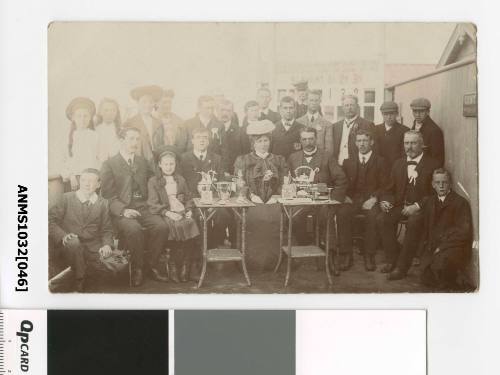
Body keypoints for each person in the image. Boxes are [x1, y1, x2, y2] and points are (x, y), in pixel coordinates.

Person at [100, 127, 170, 286]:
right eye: (131, 139)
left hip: (143, 206)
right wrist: (123, 210)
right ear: (121, 141)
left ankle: (150, 266)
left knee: (161, 227)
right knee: (134, 229)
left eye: (137, 139)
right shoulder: (109, 164)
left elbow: (154, 183)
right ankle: (138, 268)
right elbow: (107, 197)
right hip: (122, 210)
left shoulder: (142, 162)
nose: (135, 143)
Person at [377, 130, 440, 280]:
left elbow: (434, 194)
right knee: (382, 219)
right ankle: (392, 259)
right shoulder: (398, 163)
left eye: (413, 143)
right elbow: (389, 189)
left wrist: (417, 206)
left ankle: (402, 267)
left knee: (414, 222)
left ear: (422, 145)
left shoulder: (433, 164)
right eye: (406, 143)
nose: (409, 147)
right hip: (401, 205)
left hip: (423, 208)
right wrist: (386, 200)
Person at [288, 127, 348, 260]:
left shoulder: (327, 156)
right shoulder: (293, 157)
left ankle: (330, 254)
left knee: (326, 217)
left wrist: (333, 200)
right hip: (303, 201)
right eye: (304, 139)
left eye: (311, 139)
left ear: (316, 139)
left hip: (323, 201)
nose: (308, 142)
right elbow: (289, 180)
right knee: (294, 217)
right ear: (300, 141)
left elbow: (341, 179)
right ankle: (307, 245)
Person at [49, 168, 114, 292]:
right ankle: (79, 279)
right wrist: (63, 235)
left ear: (99, 184)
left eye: (91, 181)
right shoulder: (66, 198)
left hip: (92, 245)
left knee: (107, 271)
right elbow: (50, 221)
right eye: (83, 180)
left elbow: (107, 229)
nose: (86, 184)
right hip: (69, 244)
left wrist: (106, 245)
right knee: (74, 243)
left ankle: (80, 271)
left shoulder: (103, 203)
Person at [148, 150, 200, 283]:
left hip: (181, 211)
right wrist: (168, 213)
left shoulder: (180, 179)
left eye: (172, 164)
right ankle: (172, 266)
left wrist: (188, 209)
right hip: (166, 212)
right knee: (173, 225)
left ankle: (186, 265)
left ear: (175, 164)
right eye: (166, 164)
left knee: (189, 222)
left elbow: (188, 197)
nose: (169, 167)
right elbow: (153, 203)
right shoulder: (153, 181)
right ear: (160, 164)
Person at [342, 129, 389, 271]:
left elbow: (386, 185)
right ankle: (346, 254)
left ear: (372, 142)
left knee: (372, 216)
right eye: (359, 141)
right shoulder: (348, 162)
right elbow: (343, 183)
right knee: (343, 213)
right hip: (353, 199)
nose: (362, 144)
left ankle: (369, 255)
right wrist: (345, 196)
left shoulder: (381, 161)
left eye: (365, 141)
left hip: (371, 199)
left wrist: (374, 198)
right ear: (355, 143)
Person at [420, 168, 472, 290]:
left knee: (442, 272)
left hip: (454, 247)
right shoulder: (430, 201)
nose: (441, 186)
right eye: (438, 183)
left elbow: (463, 233)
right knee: (426, 277)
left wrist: (441, 247)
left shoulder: (460, 202)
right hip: (436, 247)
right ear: (433, 185)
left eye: (445, 182)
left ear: (450, 184)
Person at [180, 127, 228, 248]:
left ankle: (214, 245)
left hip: (213, 201)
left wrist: (214, 202)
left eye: (205, 137)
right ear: (192, 140)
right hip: (192, 200)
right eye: (198, 137)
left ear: (209, 140)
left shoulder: (217, 159)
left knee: (223, 215)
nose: (202, 140)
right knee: (197, 217)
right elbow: (181, 184)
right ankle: (198, 252)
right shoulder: (184, 159)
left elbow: (221, 182)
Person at [234, 120, 289, 204]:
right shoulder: (243, 160)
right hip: (250, 202)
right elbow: (239, 182)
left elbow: (284, 181)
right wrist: (251, 195)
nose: (263, 144)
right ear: (253, 143)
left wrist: (276, 196)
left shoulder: (279, 160)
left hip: (275, 203)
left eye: (266, 140)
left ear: (270, 141)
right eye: (259, 141)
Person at [63, 97, 100, 191]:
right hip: (73, 180)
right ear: (73, 118)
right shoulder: (66, 136)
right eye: (79, 116)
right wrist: (71, 176)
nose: (82, 119)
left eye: (85, 116)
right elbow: (62, 160)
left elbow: (100, 159)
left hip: (92, 180)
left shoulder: (95, 136)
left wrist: (95, 177)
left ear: (90, 118)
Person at [332, 94, 376, 166]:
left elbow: (373, 149)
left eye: (352, 105)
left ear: (357, 107)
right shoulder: (335, 126)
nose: (349, 108)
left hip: (357, 167)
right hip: (338, 166)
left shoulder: (367, 125)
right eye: (346, 105)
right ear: (342, 108)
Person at [123, 85, 163, 162]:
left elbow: (161, 144)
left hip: (155, 161)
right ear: (138, 103)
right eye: (144, 102)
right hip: (137, 161)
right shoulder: (130, 123)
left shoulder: (158, 123)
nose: (147, 105)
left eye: (150, 102)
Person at [296, 89, 334, 153]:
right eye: (311, 100)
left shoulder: (327, 124)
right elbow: (296, 146)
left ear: (320, 102)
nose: (313, 103)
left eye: (316, 100)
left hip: (320, 161)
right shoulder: (298, 122)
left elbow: (329, 150)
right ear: (307, 101)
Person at [374, 101, 409, 169]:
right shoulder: (376, 129)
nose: (389, 117)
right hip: (379, 168)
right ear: (382, 114)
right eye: (386, 114)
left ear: (397, 114)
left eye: (392, 114)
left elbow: (405, 153)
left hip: (396, 167)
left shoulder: (404, 130)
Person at [410, 97, 445, 166]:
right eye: (415, 111)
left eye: (421, 111)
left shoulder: (434, 131)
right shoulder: (414, 126)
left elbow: (438, 160)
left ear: (428, 112)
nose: (417, 115)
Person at [152, 89, 188, 155]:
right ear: (156, 104)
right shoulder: (151, 120)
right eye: (164, 102)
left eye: (169, 102)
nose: (167, 105)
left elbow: (183, 143)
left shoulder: (179, 121)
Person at [216, 98, 247, 174]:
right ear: (217, 111)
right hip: (214, 171)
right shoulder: (210, 130)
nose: (225, 113)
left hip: (234, 171)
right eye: (222, 110)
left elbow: (244, 154)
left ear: (232, 112)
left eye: (228, 111)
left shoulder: (240, 131)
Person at [95, 98, 121, 164]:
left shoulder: (121, 131)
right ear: (100, 112)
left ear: (117, 112)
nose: (109, 113)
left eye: (113, 110)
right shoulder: (95, 131)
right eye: (106, 110)